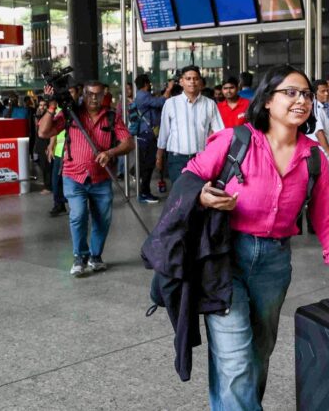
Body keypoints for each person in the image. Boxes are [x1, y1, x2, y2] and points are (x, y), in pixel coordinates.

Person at [182, 64, 329, 409]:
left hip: (274, 264)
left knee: (259, 353)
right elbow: (190, 176)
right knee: (235, 360)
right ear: (268, 100)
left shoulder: (312, 157)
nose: (301, 100)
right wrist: (202, 195)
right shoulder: (235, 141)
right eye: (290, 92)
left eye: (306, 94)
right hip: (225, 258)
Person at [39, 80, 135, 276]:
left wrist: (110, 152)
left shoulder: (111, 116)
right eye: (90, 94)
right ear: (83, 94)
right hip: (74, 176)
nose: (94, 98)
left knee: (102, 220)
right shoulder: (70, 114)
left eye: (98, 94)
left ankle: (95, 256)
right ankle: (79, 257)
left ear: (104, 95)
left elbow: (128, 143)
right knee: (78, 215)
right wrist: (51, 106)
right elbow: (44, 132)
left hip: (101, 178)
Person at [156, 65, 225, 183]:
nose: (192, 82)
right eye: (188, 78)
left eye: (195, 78)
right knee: (180, 192)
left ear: (200, 82)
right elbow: (164, 132)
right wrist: (159, 156)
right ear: (181, 82)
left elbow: (220, 133)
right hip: (176, 159)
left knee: (200, 192)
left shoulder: (210, 104)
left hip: (201, 159)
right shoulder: (170, 103)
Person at [133, 73, 168, 203]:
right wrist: (168, 90)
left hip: (147, 133)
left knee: (147, 163)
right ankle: (144, 193)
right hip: (147, 134)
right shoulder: (143, 96)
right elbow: (160, 102)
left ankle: (144, 191)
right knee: (148, 163)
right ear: (146, 84)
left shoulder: (143, 95)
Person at [34, 98, 52, 194]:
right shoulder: (37, 116)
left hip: (46, 144)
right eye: (40, 105)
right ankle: (47, 185)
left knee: (46, 167)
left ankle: (48, 187)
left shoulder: (49, 116)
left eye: (44, 105)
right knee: (42, 166)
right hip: (40, 144)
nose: (42, 107)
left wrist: (49, 146)